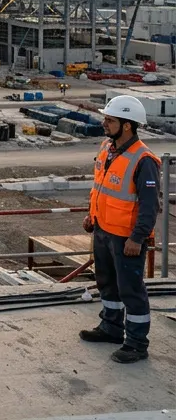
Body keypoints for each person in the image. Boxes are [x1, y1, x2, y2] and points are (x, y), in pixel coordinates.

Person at [80, 94, 160, 363]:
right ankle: (111, 327)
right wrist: (92, 216)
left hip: (127, 238)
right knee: (107, 283)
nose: (104, 123)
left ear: (127, 125)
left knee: (131, 290)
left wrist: (137, 237)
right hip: (103, 231)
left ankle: (137, 343)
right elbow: (101, 187)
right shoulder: (107, 148)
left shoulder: (144, 160)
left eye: (110, 120)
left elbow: (150, 207)